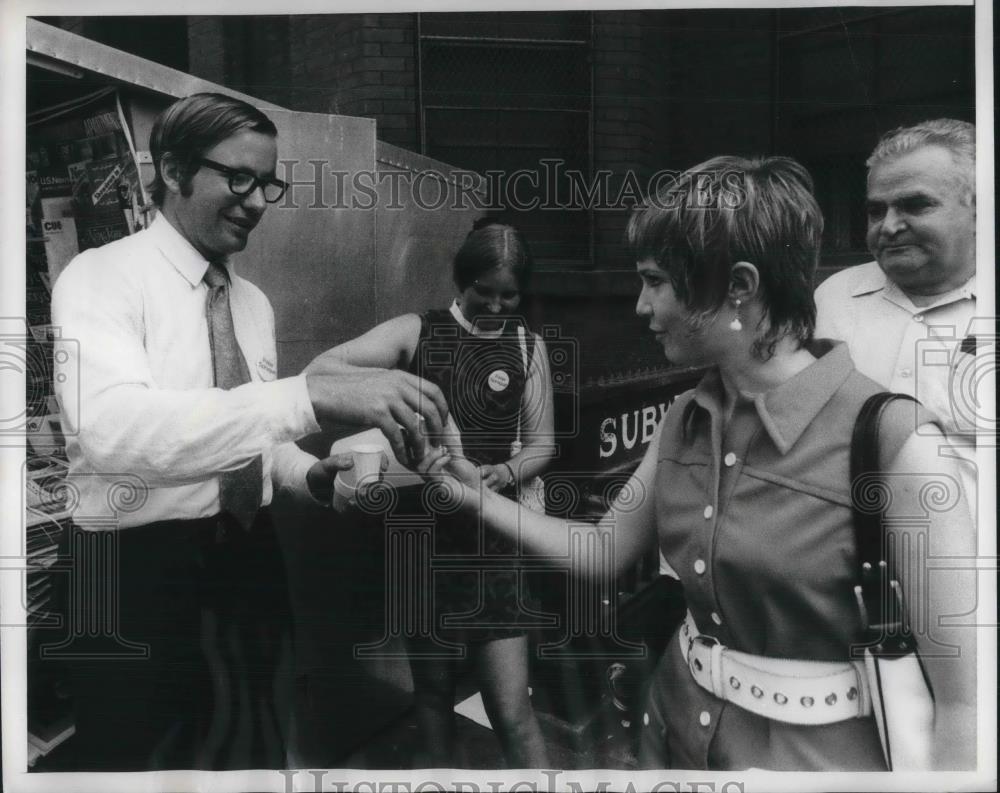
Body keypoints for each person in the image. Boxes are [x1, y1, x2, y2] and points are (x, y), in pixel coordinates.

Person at [417, 157, 976, 770]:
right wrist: (473, 494)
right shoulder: (685, 414)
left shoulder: (897, 442)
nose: (640, 305)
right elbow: (602, 552)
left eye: (655, 280)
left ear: (738, 285)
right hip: (673, 733)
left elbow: (964, 709)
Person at [49, 93, 448, 771]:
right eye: (239, 178)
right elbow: (113, 433)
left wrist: (307, 474)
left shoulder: (253, 303)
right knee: (139, 763)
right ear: (173, 169)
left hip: (246, 559)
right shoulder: (100, 278)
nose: (259, 201)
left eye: (268, 183)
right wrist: (310, 395)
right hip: (130, 575)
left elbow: (246, 436)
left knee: (250, 748)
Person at [306, 221, 553, 767]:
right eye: (482, 292)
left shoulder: (526, 347)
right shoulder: (417, 331)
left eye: (507, 295)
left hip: (493, 537)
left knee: (511, 710)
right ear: (461, 281)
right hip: (422, 536)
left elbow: (542, 445)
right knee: (434, 698)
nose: (494, 305)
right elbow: (323, 370)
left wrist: (505, 474)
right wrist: (388, 393)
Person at [815, 119, 978, 512]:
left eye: (915, 205)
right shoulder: (833, 298)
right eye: (876, 211)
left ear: (980, 207)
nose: (888, 227)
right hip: (847, 563)